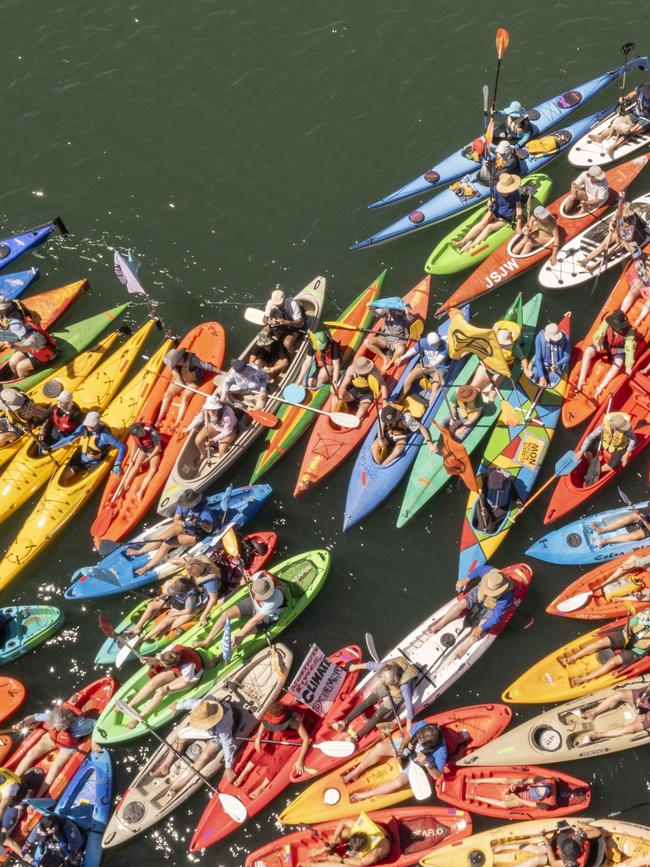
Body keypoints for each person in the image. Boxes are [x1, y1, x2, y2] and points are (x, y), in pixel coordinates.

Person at [339, 719, 449, 803]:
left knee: (398, 783)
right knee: (379, 747)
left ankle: (366, 795)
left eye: (422, 741)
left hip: (416, 764)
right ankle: (354, 773)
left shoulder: (441, 751)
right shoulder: (422, 725)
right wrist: (401, 749)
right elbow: (408, 736)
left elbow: (437, 775)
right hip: (406, 750)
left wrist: (426, 763)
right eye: (419, 738)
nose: (419, 741)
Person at [426, 566, 515, 663]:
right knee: (462, 604)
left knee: (481, 627)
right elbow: (478, 570)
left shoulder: (506, 597)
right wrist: (466, 580)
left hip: (491, 606)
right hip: (479, 593)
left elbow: (496, 617)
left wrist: (482, 627)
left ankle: (465, 647)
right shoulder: (489, 571)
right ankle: (440, 624)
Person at [124, 557, 225, 643]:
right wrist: (176, 561)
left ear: (197, 574)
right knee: (152, 605)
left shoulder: (209, 582)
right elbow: (187, 562)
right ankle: (138, 627)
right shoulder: (195, 562)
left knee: (174, 619)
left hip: (200, 597)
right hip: (183, 592)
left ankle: (159, 632)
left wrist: (203, 615)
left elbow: (213, 598)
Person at [151, 697, 240, 791]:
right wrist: (177, 706)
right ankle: (165, 765)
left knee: (205, 756)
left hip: (217, 735)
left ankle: (184, 781)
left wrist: (228, 767)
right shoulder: (201, 707)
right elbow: (189, 702)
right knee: (181, 736)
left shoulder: (223, 727)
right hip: (207, 729)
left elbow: (228, 746)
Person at [126, 488, 218, 574]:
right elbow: (176, 520)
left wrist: (200, 522)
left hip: (196, 534)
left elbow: (209, 529)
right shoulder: (183, 504)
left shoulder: (204, 512)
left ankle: (147, 566)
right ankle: (140, 551)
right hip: (183, 527)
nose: (186, 507)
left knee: (166, 544)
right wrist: (186, 524)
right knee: (161, 538)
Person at [13, 705, 97, 796]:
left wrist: (94, 741)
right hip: (51, 739)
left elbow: (97, 725)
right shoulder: (53, 716)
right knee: (31, 754)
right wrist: (22, 722)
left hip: (67, 747)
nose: (51, 725)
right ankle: (13, 780)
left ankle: (39, 795)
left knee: (54, 768)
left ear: (63, 727)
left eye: (55, 726)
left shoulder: (81, 725)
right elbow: (33, 717)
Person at [332, 656, 419, 741]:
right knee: (367, 702)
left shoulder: (405, 687)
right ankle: (343, 723)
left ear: (394, 680)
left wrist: (408, 729)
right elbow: (370, 665)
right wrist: (353, 667)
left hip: (397, 694)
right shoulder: (386, 668)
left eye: (386, 681)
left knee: (379, 713)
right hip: (387, 684)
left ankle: (356, 737)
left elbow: (409, 707)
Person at [231, 701, 311, 792]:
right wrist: (258, 737)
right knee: (264, 749)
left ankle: (261, 787)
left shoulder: (295, 720)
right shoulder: (271, 713)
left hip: (295, 736)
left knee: (279, 758)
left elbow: (306, 739)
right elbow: (263, 723)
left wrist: (300, 760)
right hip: (282, 731)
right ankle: (243, 774)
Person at [196, 571, 285, 651]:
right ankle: (207, 641)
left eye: (258, 595)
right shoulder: (260, 576)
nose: (255, 595)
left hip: (267, 616)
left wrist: (240, 634)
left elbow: (254, 621)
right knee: (226, 614)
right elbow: (247, 579)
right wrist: (243, 582)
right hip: (253, 603)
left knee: (240, 636)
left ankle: (219, 658)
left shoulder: (274, 600)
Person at [124, 644, 207, 729]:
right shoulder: (171, 650)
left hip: (191, 677)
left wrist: (167, 688)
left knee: (160, 692)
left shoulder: (188, 666)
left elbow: (186, 682)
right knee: (154, 682)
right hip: (179, 669)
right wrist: (149, 659)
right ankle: (130, 705)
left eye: (163, 665)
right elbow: (157, 659)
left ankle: (138, 717)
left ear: (173, 665)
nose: (161, 665)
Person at [563, 607, 650, 687]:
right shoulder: (645, 615)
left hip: (637, 649)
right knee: (600, 643)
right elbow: (628, 626)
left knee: (613, 662)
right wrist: (628, 631)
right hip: (626, 636)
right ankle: (574, 657)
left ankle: (584, 678)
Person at [48, 410, 126, 486]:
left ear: (97, 423)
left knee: (88, 483)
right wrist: (51, 448)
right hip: (81, 458)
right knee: (64, 476)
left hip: (94, 462)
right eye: (88, 424)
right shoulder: (83, 428)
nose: (89, 427)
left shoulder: (105, 436)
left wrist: (117, 464)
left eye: (91, 425)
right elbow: (69, 438)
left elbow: (121, 446)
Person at [453, 173, 523, 253]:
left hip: (505, 216)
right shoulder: (495, 189)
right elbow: (492, 199)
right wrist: (489, 203)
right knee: (483, 223)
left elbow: (518, 208)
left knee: (489, 227)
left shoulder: (515, 193)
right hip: (494, 211)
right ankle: (463, 241)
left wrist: (518, 225)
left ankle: (471, 246)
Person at [575, 309, 636, 400]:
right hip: (605, 345)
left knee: (618, 364)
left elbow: (630, 350)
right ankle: (581, 380)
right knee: (588, 351)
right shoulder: (608, 323)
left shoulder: (629, 332)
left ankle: (600, 387)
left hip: (617, 349)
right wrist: (597, 343)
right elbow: (599, 334)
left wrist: (628, 366)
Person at [493, 820, 605, 867]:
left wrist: (547, 842)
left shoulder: (571, 863)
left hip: (558, 859)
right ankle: (503, 847)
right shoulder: (580, 836)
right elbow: (598, 831)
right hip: (573, 852)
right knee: (539, 850)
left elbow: (554, 861)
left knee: (537, 859)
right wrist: (582, 824)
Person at [299, 812, 393, 866]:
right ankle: (326, 849)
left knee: (347, 866)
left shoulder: (372, 854)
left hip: (382, 849)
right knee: (345, 832)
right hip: (364, 840)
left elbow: (361, 862)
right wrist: (334, 839)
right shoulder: (361, 828)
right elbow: (343, 821)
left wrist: (339, 860)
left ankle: (314, 865)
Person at [578, 200, 647, 272]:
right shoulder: (619, 211)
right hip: (617, 232)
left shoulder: (632, 222)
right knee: (603, 245)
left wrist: (621, 239)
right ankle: (586, 260)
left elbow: (629, 236)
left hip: (626, 239)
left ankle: (594, 266)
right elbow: (613, 220)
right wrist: (611, 226)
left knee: (610, 250)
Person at [571, 681, 650, 743]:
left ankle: (597, 735)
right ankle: (592, 713)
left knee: (630, 729)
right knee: (619, 694)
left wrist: (646, 716)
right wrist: (641, 696)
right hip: (646, 699)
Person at [155, 347, 217, 426]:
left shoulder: (191, 360)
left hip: (193, 380)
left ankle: (177, 422)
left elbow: (206, 366)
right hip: (182, 380)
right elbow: (177, 376)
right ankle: (159, 419)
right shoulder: (172, 365)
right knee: (167, 395)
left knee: (185, 398)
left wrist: (221, 372)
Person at [587, 82, 650, 158]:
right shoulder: (640, 89)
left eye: (648, 93)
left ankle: (613, 147)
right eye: (645, 93)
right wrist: (625, 98)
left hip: (647, 118)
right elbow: (631, 94)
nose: (646, 95)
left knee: (631, 131)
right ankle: (601, 137)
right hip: (636, 111)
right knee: (618, 122)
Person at [0, 297, 58, 379]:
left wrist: (14, 347)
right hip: (28, 346)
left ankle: (25, 378)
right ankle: (15, 376)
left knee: (20, 367)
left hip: (43, 353)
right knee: (12, 363)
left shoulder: (29, 335)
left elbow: (29, 348)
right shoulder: (17, 324)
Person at [574, 411, 637, 480]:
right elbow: (590, 437)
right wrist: (581, 451)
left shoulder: (627, 430)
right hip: (605, 443)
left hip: (618, 447)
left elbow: (633, 439)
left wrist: (627, 454)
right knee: (586, 449)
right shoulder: (605, 425)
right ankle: (592, 465)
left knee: (613, 464)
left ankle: (597, 471)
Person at [398, 330, 449, 402]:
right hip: (425, 364)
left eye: (438, 343)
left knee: (435, 387)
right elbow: (413, 351)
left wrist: (428, 366)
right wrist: (401, 358)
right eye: (435, 344)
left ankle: (430, 408)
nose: (438, 345)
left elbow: (438, 360)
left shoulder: (445, 346)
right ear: (429, 344)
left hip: (439, 368)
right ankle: (400, 398)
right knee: (411, 375)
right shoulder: (423, 342)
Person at [183, 396, 238, 462]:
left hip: (230, 430)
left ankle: (222, 460)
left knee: (222, 448)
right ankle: (204, 454)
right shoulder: (205, 409)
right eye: (209, 409)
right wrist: (189, 428)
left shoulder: (227, 413)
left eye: (213, 409)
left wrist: (214, 440)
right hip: (216, 427)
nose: (211, 412)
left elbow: (227, 431)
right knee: (198, 440)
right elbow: (200, 417)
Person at [117, 421, 163, 499]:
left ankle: (140, 491)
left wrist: (149, 458)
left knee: (153, 469)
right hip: (144, 450)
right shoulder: (134, 434)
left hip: (153, 450)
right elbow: (136, 443)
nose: (142, 434)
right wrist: (132, 455)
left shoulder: (152, 431)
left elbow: (158, 447)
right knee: (136, 466)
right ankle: (124, 487)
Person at [469, 774, 559, 812]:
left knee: (504, 805)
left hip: (521, 800)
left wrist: (514, 796)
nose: (538, 791)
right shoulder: (536, 784)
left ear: (541, 798)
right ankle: (477, 781)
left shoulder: (538, 803)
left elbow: (525, 802)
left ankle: (477, 797)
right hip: (520, 788)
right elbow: (527, 781)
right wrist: (515, 785)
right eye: (539, 789)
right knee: (505, 780)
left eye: (539, 793)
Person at [365, 302, 414, 373]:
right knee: (367, 342)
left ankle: (389, 364)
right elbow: (375, 313)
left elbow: (411, 319)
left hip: (398, 340)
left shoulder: (404, 313)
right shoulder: (387, 310)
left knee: (401, 349)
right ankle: (385, 358)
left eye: (400, 310)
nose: (398, 312)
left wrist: (407, 313)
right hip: (385, 337)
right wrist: (370, 308)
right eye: (397, 310)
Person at [475, 468, 524, 533]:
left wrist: (519, 503)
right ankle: (481, 527)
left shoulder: (508, 483)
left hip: (501, 508)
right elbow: (483, 495)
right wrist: (483, 508)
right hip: (488, 504)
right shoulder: (486, 479)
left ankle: (489, 528)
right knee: (480, 509)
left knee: (491, 524)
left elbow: (514, 494)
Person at [523, 322, 571, 388]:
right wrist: (542, 377)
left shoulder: (565, 338)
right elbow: (538, 359)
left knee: (554, 381)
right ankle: (541, 380)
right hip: (542, 365)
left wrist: (557, 365)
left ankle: (547, 383)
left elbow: (567, 357)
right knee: (533, 375)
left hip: (556, 368)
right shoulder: (539, 338)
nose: (557, 341)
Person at [621, 250, 650, 328]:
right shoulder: (645, 256)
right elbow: (635, 255)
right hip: (643, 281)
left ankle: (638, 321)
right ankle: (621, 313)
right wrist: (636, 277)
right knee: (632, 292)